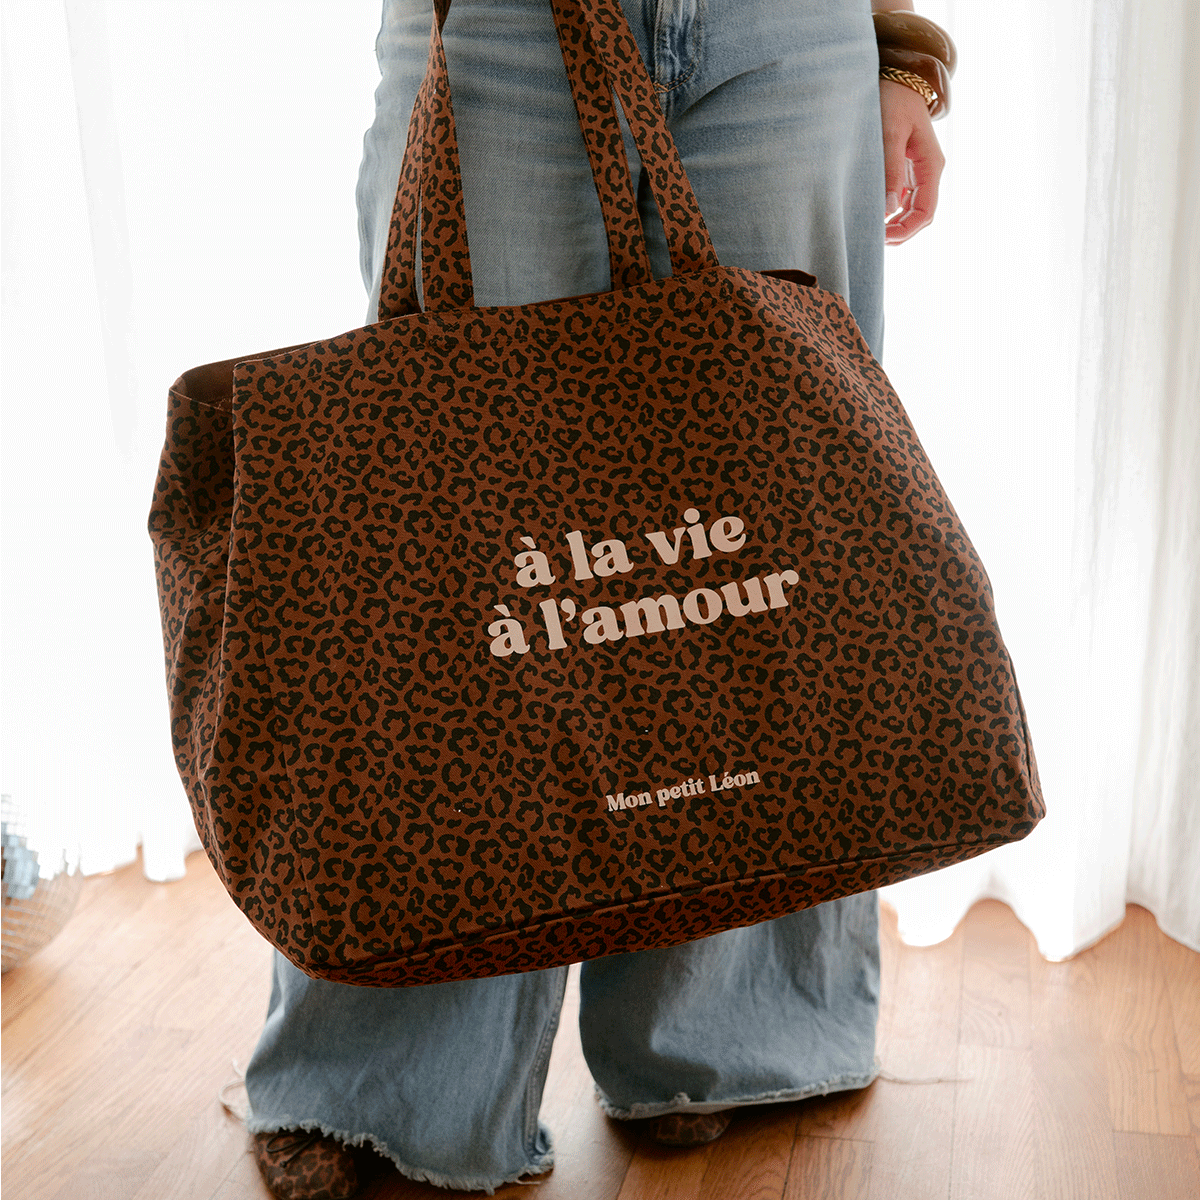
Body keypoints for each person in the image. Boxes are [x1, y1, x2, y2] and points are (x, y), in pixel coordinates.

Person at [243, 2, 948, 1196]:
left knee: (752, 534)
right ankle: (384, 1082)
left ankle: (725, 1036)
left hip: (781, 28)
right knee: (459, 545)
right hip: (498, 21)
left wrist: (898, 54)